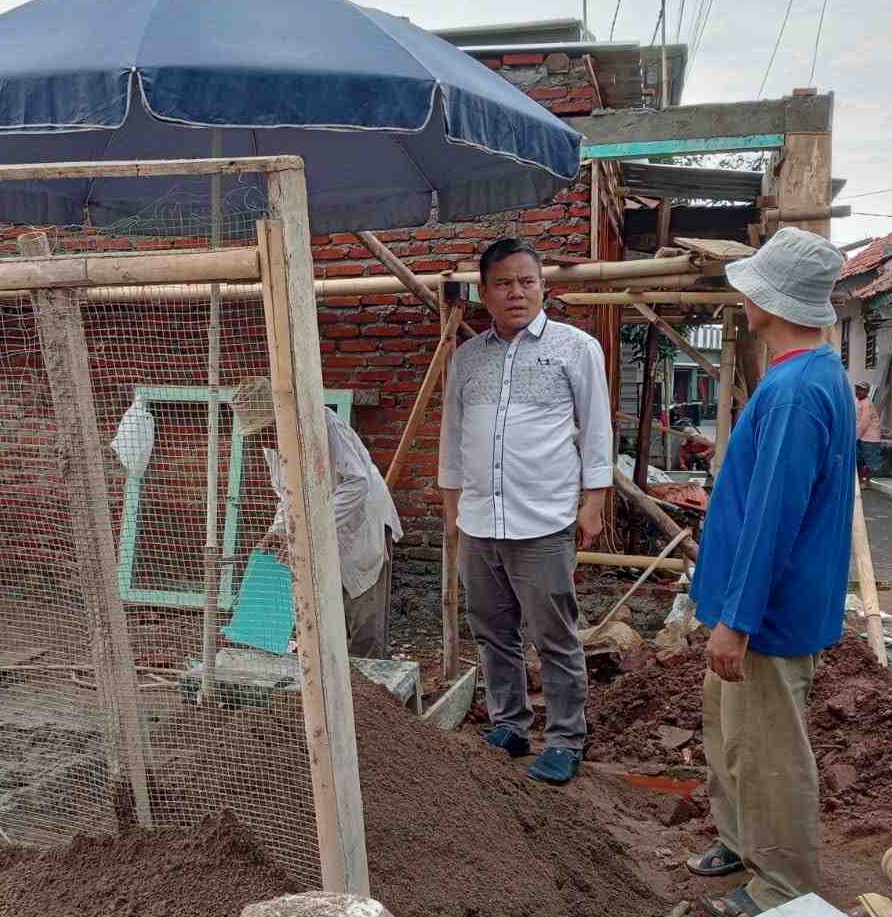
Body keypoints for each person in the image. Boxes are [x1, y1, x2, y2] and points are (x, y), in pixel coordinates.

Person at [684, 228, 856, 917]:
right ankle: (739, 840)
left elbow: (772, 519)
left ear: (769, 299)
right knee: (731, 733)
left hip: (767, 614)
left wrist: (738, 620)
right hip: (759, 602)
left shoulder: (793, 391)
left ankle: (782, 881)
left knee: (769, 749)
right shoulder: (811, 376)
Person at [439, 237, 612, 786]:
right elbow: (452, 437)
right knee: (492, 632)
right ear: (483, 293)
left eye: (527, 281)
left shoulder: (575, 349)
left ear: (543, 286)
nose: (516, 293)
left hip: (544, 520)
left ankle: (565, 737)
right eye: (503, 284)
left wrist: (594, 504)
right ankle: (509, 723)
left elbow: (598, 431)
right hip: (479, 520)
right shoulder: (468, 358)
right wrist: (452, 507)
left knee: (554, 635)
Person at [232, 378, 402, 658]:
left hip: (360, 527)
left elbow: (357, 483)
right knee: (322, 620)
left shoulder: (323, 424)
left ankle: (370, 694)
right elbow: (286, 496)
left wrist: (310, 528)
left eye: (265, 429)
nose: (263, 439)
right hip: (319, 534)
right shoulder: (272, 444)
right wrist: (279, 530)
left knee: (365, 623)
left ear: (280, 415)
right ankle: (331, 689)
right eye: (257, 434)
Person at [854, 381, 884, 484]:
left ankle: (867, 481)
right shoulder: (859, 402)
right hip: (862, 436)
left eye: (861, 390)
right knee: (859, 459)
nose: (858, 391)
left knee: (869, 460)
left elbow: (864, 422)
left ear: (867, 392)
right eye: (857, 389)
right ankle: (862, 480)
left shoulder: (866, 403)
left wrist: (856, 436)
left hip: (869, 437)